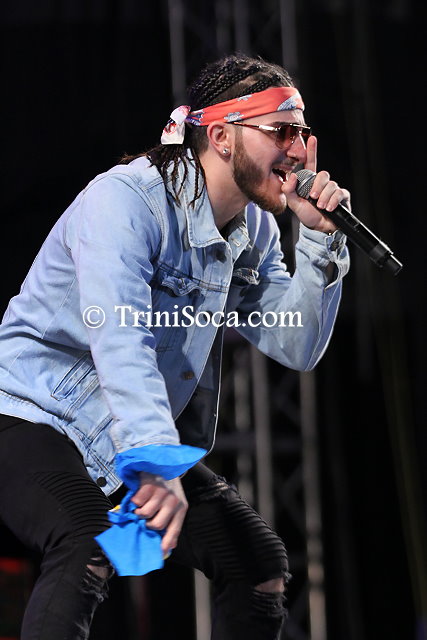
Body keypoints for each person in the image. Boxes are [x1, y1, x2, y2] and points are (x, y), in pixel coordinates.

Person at [0, 53, 350, 639]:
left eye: (302, 133)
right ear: (221, 137)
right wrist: (155, 462)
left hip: (121, 433)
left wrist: (318, 243)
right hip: (30, 413)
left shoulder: (256, 229)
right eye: (281, 132)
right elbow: (121, 339)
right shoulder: (124, 201)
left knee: (257, 565)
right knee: (88, 544)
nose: (298, 151)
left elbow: (296, 344)